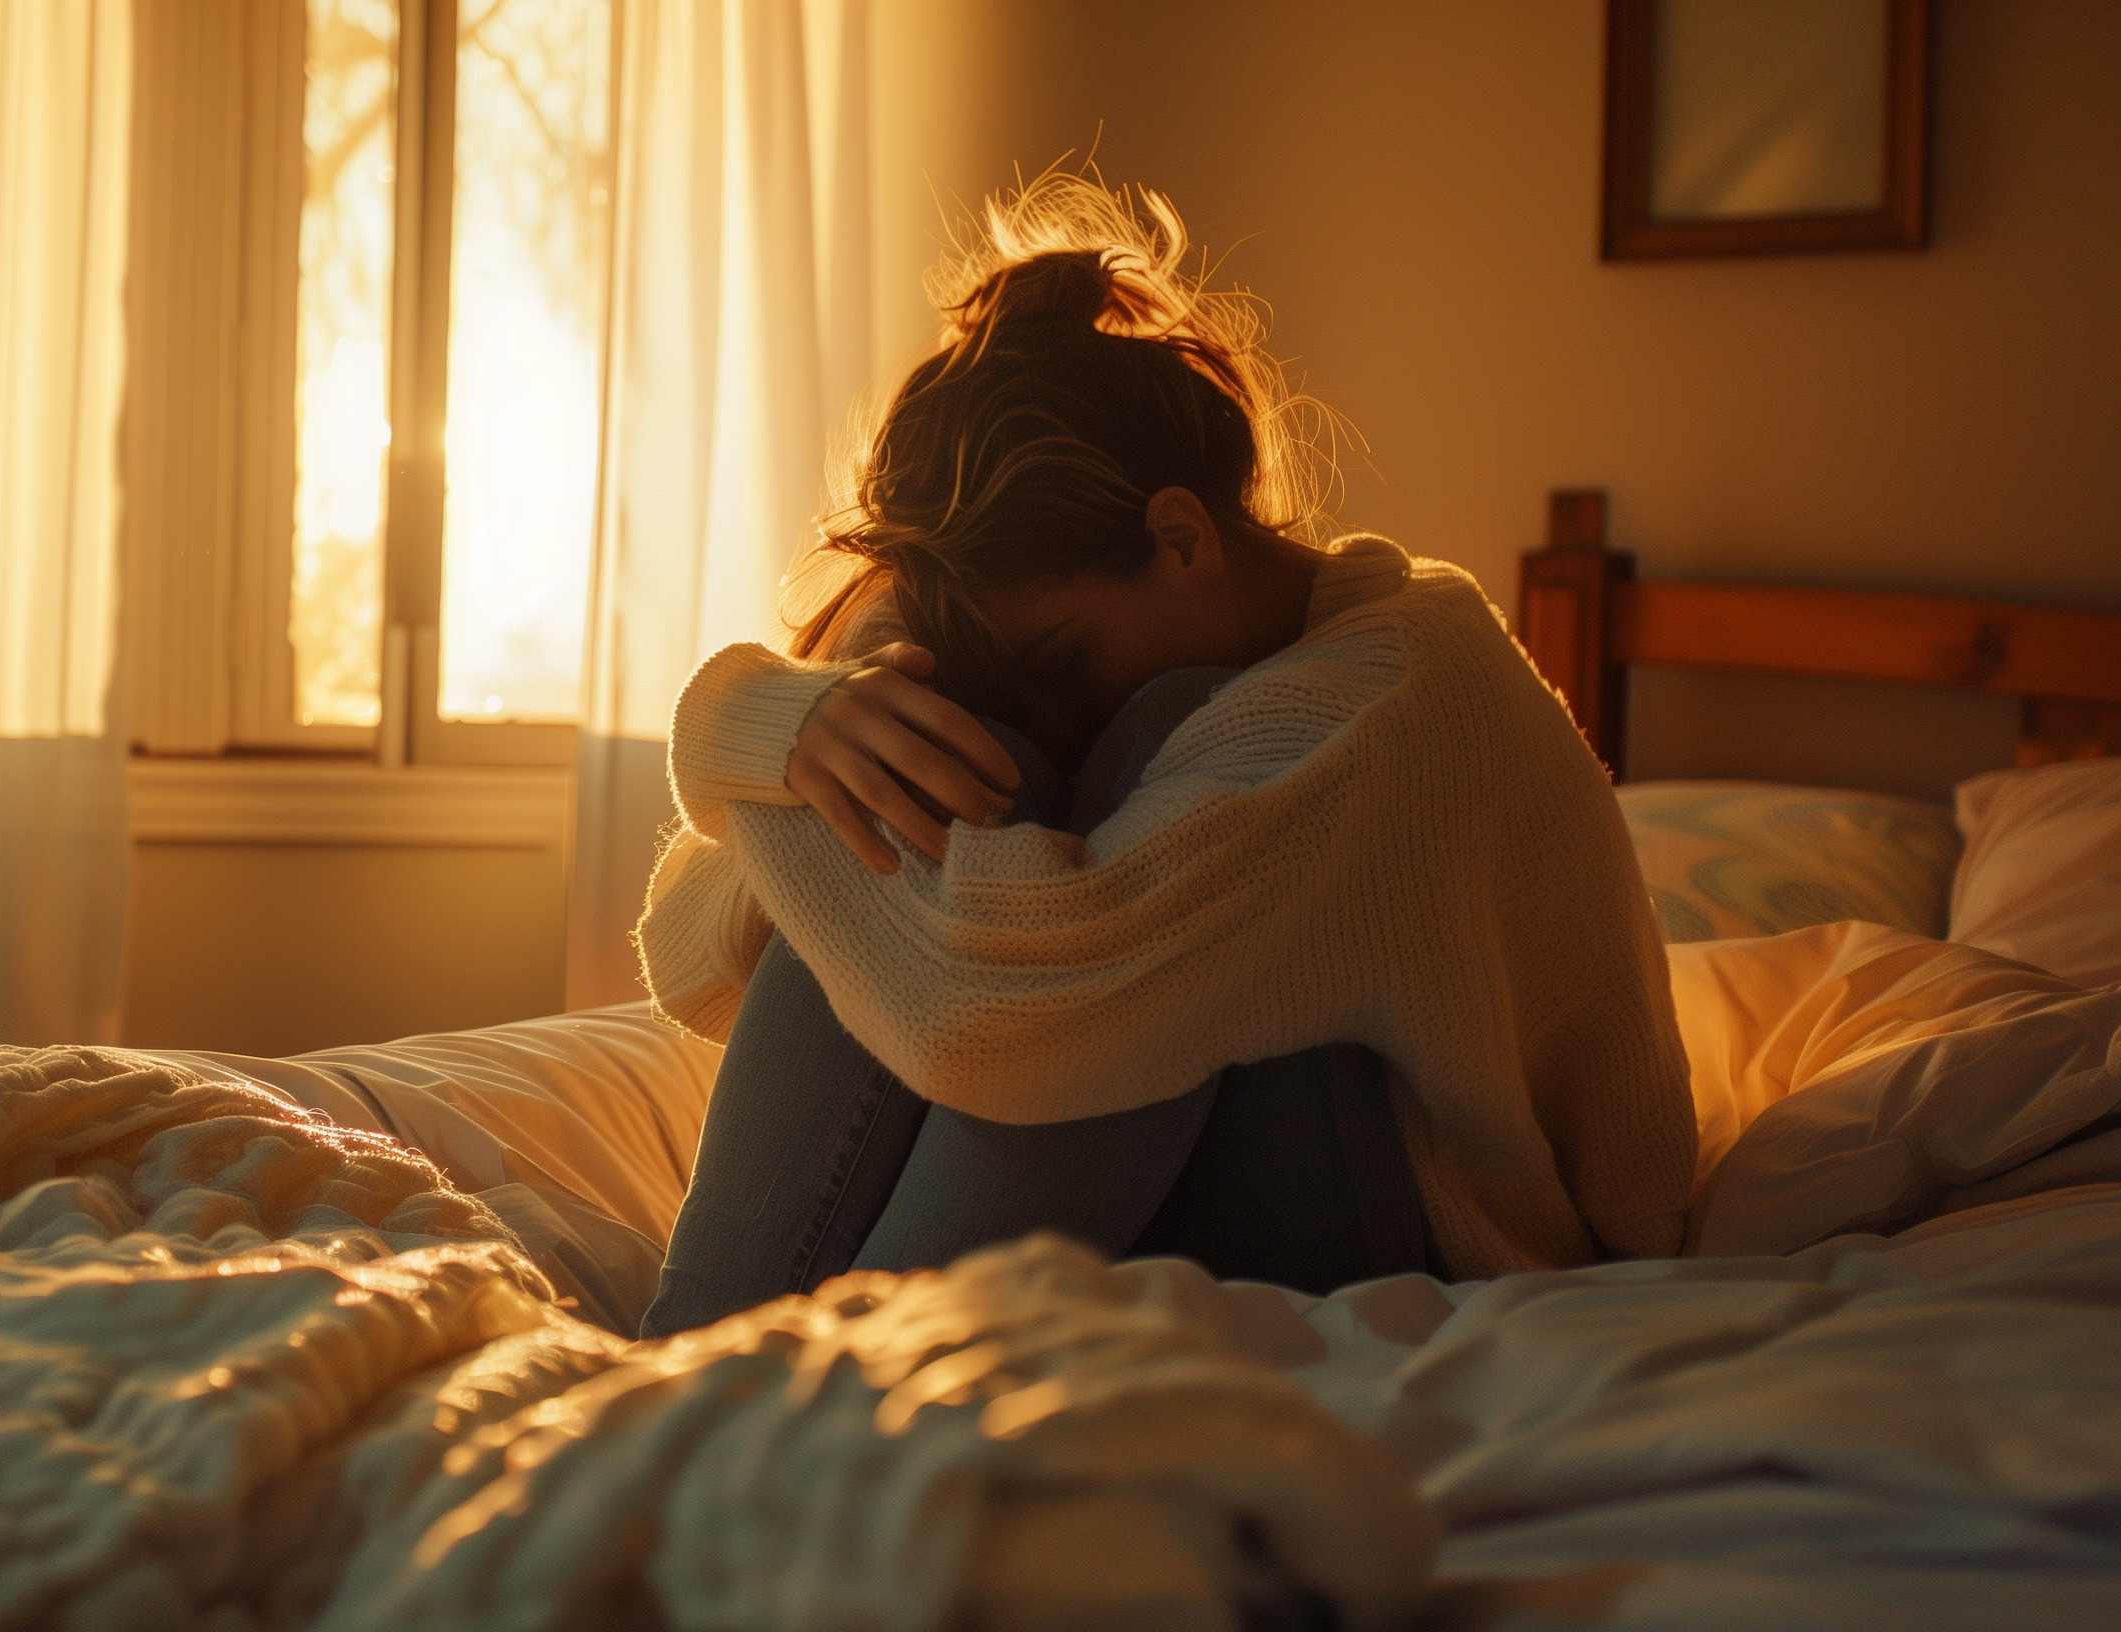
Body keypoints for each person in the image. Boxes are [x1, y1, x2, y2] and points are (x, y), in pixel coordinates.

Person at [631, 173, 1693, 1340]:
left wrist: (751, 739)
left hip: (1454, 1226)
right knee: (956, 750)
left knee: (1080, 849)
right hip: (1179, 1131)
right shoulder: (1097, 658)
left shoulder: (1376, 703)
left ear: (1179, 538)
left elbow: (1003, 1021)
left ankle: (809, 1385)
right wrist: (784, 720)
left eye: (1065, 647)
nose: (1052, 688)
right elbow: (693, 948)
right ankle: (696, 1364)